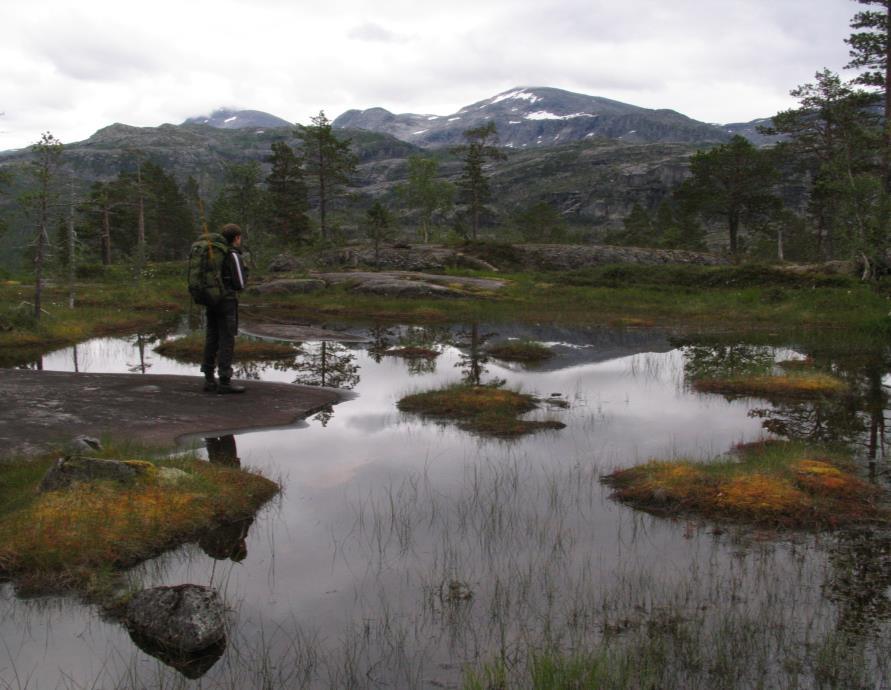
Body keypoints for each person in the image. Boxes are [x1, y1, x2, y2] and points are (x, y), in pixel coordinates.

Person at [201, 223, 248, 393]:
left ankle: (208, 379)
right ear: (236, 237)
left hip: (211, 300)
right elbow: (240, 283)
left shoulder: (214, 252)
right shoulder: (232, 254)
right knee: (226, 339)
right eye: (240, 237)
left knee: (211, 337)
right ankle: (225, 381)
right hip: (226, 302)